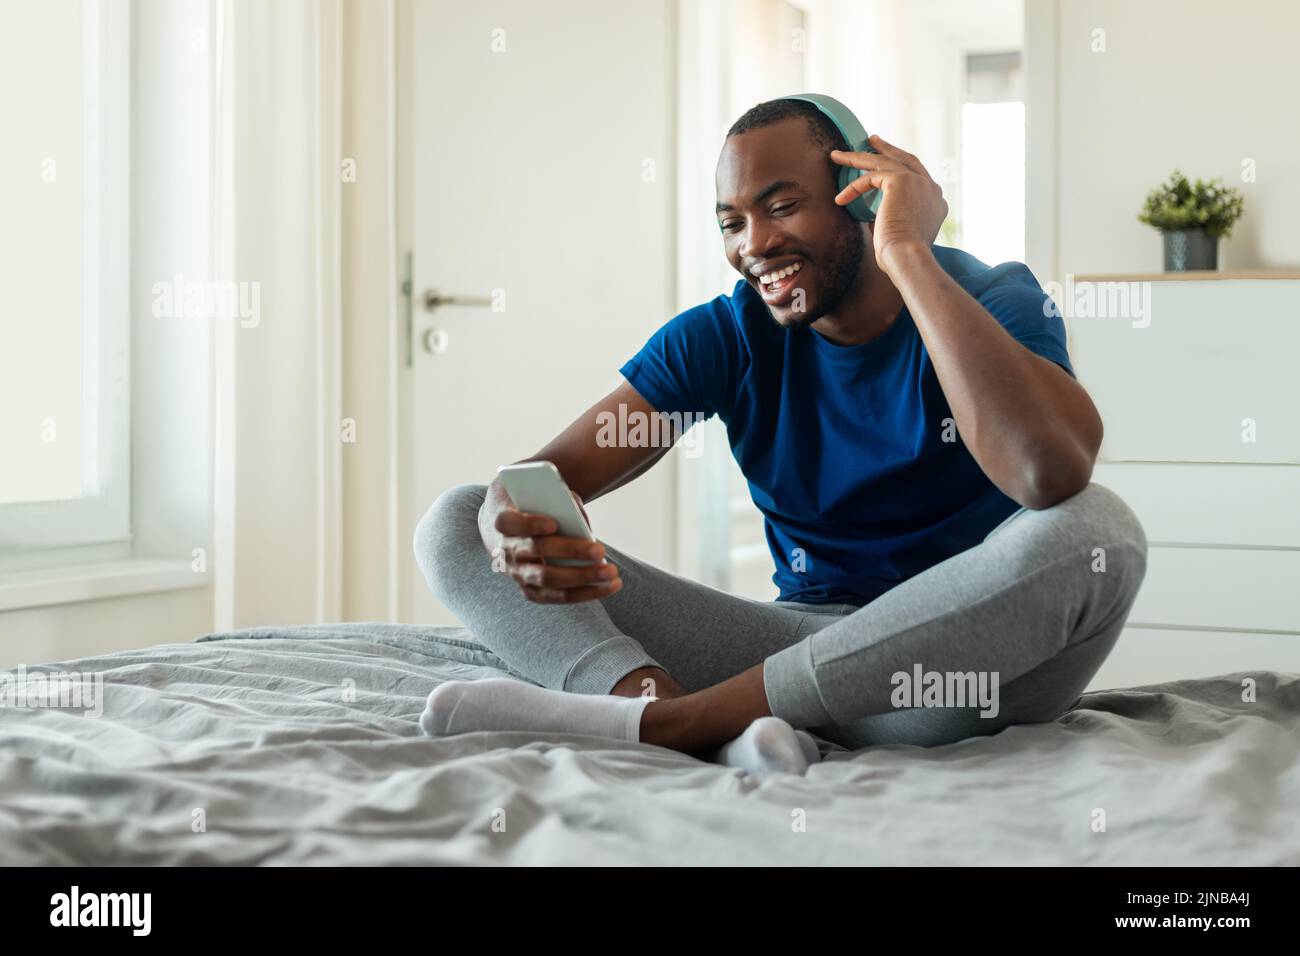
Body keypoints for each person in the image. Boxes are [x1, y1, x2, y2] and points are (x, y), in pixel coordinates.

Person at [413, 98, 1148, 776]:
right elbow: (545, 474)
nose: (755, 244)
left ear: (862, 193)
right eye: (731, 222)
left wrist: (907, 252)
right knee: (457, 517)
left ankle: (684, 725)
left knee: (1099, 532)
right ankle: (647, 704)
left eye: (782, 206)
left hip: (946, 682)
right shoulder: (728, 335)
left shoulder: (995, 299)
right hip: (789, 648)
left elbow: (1046, 474)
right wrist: (508, 521)